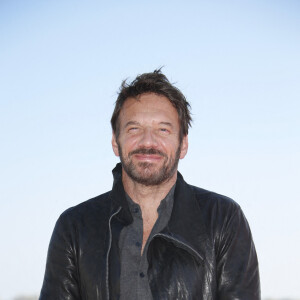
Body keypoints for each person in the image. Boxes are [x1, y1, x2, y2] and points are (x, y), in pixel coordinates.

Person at [39, 70, 260, 300]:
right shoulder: (74, 228)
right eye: (134, 129)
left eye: (163, 130)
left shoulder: (223, 220)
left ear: (183, 144)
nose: (147, 141)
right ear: (116, 141)